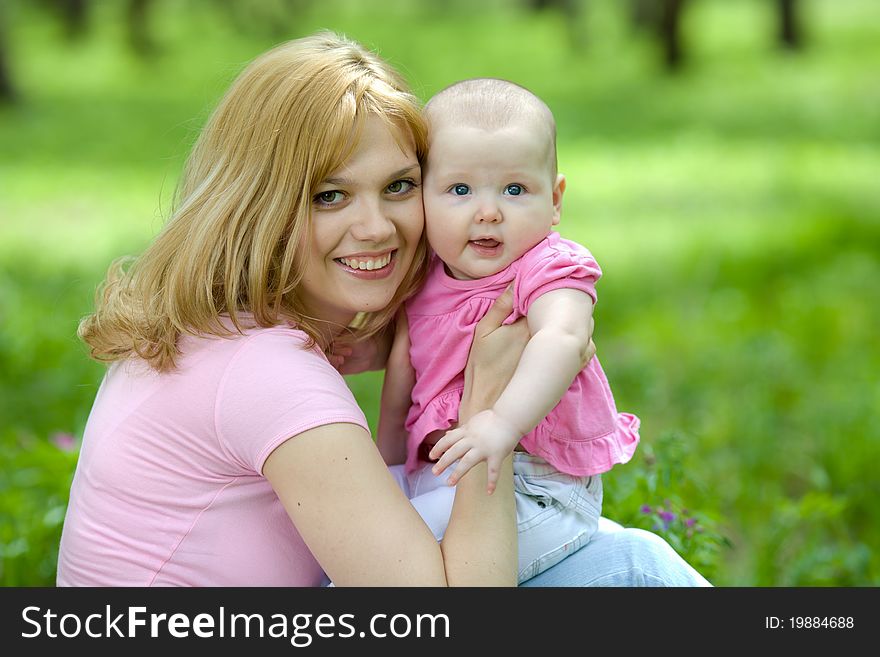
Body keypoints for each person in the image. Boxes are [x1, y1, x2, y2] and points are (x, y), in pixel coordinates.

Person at [57, 31, 709, 587]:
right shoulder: (268, 374)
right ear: (259, 203)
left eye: (398, 186)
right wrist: (486, 400)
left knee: (624, 558)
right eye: (330, 195)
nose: (376, 227)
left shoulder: (220, 329)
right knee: (632, 569)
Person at [375, 78, 641, 582]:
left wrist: (503, 424)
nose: (488, 211)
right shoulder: (427, 273)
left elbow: (563, 339)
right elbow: (400, 387)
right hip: (442, 481)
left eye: (515, 190)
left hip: (534, 485)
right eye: (459, 190)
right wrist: (388, 475)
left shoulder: (547, 268)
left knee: (392, 570)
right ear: (423, 198)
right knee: (367, 545)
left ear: (556, 199)